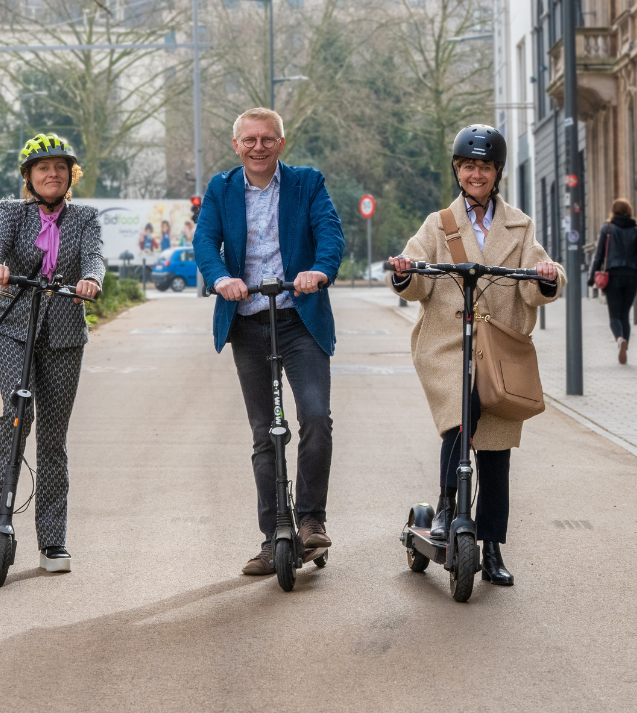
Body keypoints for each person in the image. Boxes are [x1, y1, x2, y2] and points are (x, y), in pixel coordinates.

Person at [388, 124, 565, 586]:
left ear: (497, 172)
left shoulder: (520, 226)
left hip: (501, 351)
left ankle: (492, 548)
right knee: (460, 417)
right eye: (468, 166)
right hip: (447, 345)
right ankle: (447, 508)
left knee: (497, 451)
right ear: (457, 170)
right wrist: (406, 272)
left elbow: (539, 282)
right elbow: (417, 281)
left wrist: (548, 275)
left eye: (484, 166)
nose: (476, 173)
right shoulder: (437, 225)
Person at [193, 107, 345, 575]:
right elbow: (205, 243)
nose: (258, 147)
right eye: (250, 140)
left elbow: (330, 234)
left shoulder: (307, 182)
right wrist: (221, 279)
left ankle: (310, 521)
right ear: (236, 145)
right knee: (266, 434)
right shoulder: (221, 188)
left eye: (267, 139)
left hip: (298, 319)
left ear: (281, 142)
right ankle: (272, 535)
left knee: (315, 418)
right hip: (249, 321)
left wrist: (319, 271)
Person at [0, 134, 105, 573]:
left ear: (70, 176)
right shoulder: (12, 212)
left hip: (65, 336)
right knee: (17, 414)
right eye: (43, 167)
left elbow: (94, 258)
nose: (53, 173)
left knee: (52, 437)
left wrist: (90, 280)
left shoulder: (85, 217)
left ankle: (51, 541)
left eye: (61, 167)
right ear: (29, 176)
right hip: (12, 329)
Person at [588, 198, 637, 364]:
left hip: (612, 275)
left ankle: (619, 340)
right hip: (632, 276)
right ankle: (625, 347)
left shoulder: (607, 228)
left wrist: (591, 277)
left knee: (614, 315)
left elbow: (600, 255)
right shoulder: (635, 229)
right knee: (625, 314)